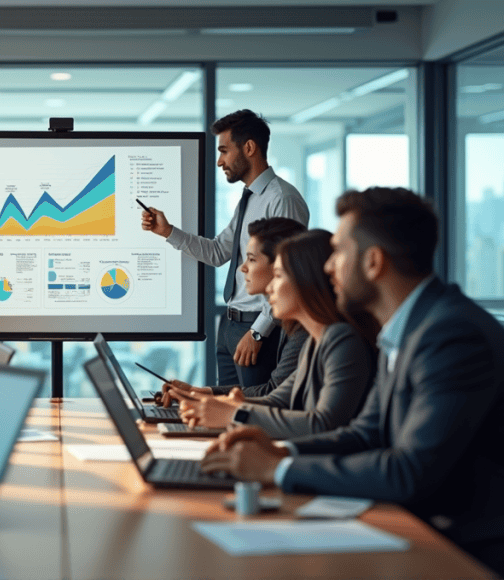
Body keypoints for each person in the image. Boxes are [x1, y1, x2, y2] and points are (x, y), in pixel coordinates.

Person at [200, 187, 504, 579]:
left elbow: (409, 471)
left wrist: (276, 471)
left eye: (338, 253)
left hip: (482, 547)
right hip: (428, 523)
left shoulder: (451, 335)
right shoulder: (405, 329)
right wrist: (282, 453)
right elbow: (365, 433)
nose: (328, 267)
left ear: (372, 262)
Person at [142, 109, 309, 389]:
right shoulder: (248, 199)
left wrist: (259, 333)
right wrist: (168, 231)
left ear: (249, 148)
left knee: (251, 412)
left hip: (258, 328)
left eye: (224, 151)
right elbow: (219, 252)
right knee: (224, 411)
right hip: (230, 324)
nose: (220, 161)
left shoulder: (282, 199)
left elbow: (287, 272)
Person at [173, 229, 377, 439]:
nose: (270, 287)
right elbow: (277, 400)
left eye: (278, 276)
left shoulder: (342, 339)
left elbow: (323, 423)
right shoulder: (316, 342)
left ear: (306, 281)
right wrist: (216, 403)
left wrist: (234, 413)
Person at [161, 217, 308, 406]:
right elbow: (274, 390)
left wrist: (257, 332)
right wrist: (198, 392)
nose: (242, 267)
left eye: (252, 259)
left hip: (250, 328)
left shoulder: (306, 331)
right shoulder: (294, 324)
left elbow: (274, 395)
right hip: (231, 322)